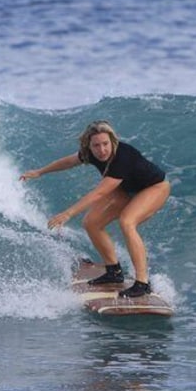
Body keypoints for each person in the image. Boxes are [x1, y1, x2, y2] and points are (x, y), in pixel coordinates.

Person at [20, 120, 171, 297]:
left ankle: (142, 282)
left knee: (127, 222)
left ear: (112, 141)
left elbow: (99, 193)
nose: (102, 150)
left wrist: (68, 213)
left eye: (105, 144)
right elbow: (69, 161)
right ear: (89, 146)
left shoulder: (122, 157)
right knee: (91, 223)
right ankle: (114, 272)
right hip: (126, 189)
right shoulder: (91, 153)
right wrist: (40, 171)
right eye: (96, 146)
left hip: (154, 187)